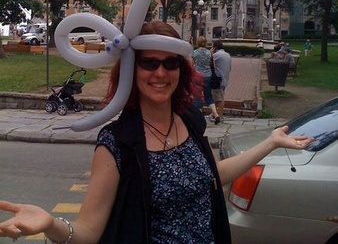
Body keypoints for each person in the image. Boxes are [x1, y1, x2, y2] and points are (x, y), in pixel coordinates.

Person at [0, 20, 314, 244]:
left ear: (181, 69)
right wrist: (51, 224)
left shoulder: (190, 119)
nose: (160, 73)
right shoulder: (117, 143)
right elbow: (87, 234)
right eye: (148, 63)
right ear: (130, 69)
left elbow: (209, 175)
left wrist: (269, 143)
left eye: (170, 63)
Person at [192, 35, 221, 125]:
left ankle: (199, 117)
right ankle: (216, 114)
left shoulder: (195, 53)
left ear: (198, 43)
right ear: (205, 43)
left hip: (198, 76)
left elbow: (192, 63)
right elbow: (211, 63)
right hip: (208, 75)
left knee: (197, 96)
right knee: (208, 96)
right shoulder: (209, 53)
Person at [211, 39, 232, 120]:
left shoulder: (217, 55)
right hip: (224, 78)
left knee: (219, 99)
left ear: (215, 47)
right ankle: (214, 114)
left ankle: (219, 115)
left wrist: (211, 53)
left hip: (218, 79)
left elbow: (209, 60)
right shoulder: (227, 55)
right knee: (217, 97)